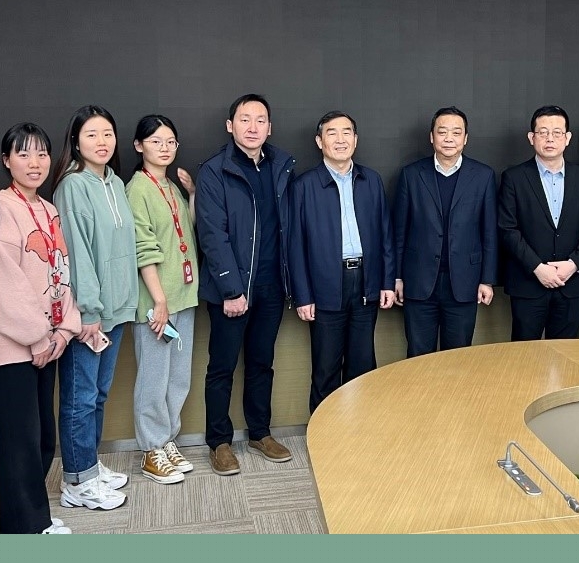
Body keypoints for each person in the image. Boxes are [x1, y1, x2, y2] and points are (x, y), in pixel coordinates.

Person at [0, 123, 79, 534]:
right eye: (23, 154)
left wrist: (64, 331)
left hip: (47, 342)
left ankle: (32, 519)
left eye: (41, 153)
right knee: (17, 442)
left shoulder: (49, 209)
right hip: (12, 347)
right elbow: (5, 281)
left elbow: (61, 273)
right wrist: (38, 336)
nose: (34, 163)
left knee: (41, 437)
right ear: (5, 161)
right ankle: (26, 528)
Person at [196, 94, 295, 477]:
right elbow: (212, 234)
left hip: (272, 286)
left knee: (261, 363)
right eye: (244, 119)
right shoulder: (214, 171)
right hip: (232, 290)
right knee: (222, 367)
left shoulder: (281, 165)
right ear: (230, 125)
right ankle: (219, 442)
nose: (252, 127)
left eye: (260, 120)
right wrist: (231, 290)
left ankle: (260, 433)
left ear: (269, 127)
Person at [50, 105, 137, 510]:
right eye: (91, 135)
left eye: (107, 134)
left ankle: (88, 465)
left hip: (116, 311)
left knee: (98, 395)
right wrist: (88, 311)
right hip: (90, 314)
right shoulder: (72, 185)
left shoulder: (115, 182)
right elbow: (77, 253)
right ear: (75, 141)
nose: (102, 142)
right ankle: (77, 481)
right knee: (80, 398)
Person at [290, 111, 395, 412]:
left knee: (363, 365)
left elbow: (385, 234)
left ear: (356, 140)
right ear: (319, 141)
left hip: (365, 282)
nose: (340, 139)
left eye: (346, 132)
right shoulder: (304, 186)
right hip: (324, 285)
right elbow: (295, 245)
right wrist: (303, 295)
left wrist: (387, 282)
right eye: (332, 133)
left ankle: (358, 432)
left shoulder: (371, 180)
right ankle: (323, 434)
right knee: (326, 368)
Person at [127, 115, 199, 484]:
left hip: (183, 296)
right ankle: (151, 449)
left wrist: (191, 195)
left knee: (178, 377)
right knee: (153, 378)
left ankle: (167, 439)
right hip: (157, 302)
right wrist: (158, 300)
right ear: (139, 146)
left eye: (170, 141)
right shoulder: (137, 189)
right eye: (156, 141)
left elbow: (185, 232)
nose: (165, 148)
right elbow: (144, 248)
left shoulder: (170, 186)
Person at [393, 107, 497, 357]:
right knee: (418, 356)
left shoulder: (483, 176)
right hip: (418, 282)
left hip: (464, 283)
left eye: (456, 132)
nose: (449, 138)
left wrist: (487, 279)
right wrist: (396, 277)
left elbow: (490, 232)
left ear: (465, 138)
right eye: (442, 132)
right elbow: (399, 231)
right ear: (432, 137)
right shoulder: (411, 175)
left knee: (458, 358)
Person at [499, 106, 579, 340]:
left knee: (565, 354)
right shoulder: (514, 178)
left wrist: (573, 264)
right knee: (525, 354)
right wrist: (537, 267)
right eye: (543, 132)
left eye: (557, 133)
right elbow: (507, 229)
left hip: (572, 283)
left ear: (567, 138)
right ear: (531, 137)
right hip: (528, 283)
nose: (550, 139)